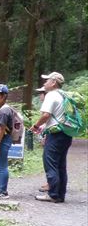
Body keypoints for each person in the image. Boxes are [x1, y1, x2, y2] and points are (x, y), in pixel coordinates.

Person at [31, 72, 71, 203]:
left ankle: (53, 194)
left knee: (50, 163)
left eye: (47, 80)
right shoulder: (63, 95)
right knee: (60, 165)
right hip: (66, 133)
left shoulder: (52, 95)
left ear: (54, 82)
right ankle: (60, 195)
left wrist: (36, 126)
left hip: (56, 134)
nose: (44, 83)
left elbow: (46, 115)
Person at [35, 86, 49, 193]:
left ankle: (51, 184)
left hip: (50, 135)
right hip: (50, 134)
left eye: (41, 93)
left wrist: (44, 136)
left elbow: (47, 121)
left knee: (49, 160)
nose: (40, 95)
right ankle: (50, 182)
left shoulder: (48, 104)